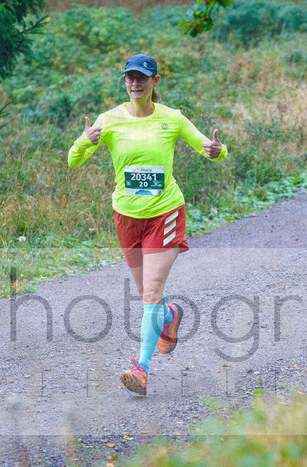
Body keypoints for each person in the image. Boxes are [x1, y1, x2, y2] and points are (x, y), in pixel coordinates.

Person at [67, 53, 227, 395]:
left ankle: (140, 369)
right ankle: (169, 316)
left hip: (165, 213)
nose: (135, 83)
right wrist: (86, 141)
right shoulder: (108, 120)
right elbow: (73, 159)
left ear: (155, 82)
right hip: (126, 217)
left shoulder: (172, 119)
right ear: (125, 81)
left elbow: (208, 148)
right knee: (148, 295)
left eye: (142, 78)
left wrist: (216, 149)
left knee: (150, 293)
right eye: (130, 78)